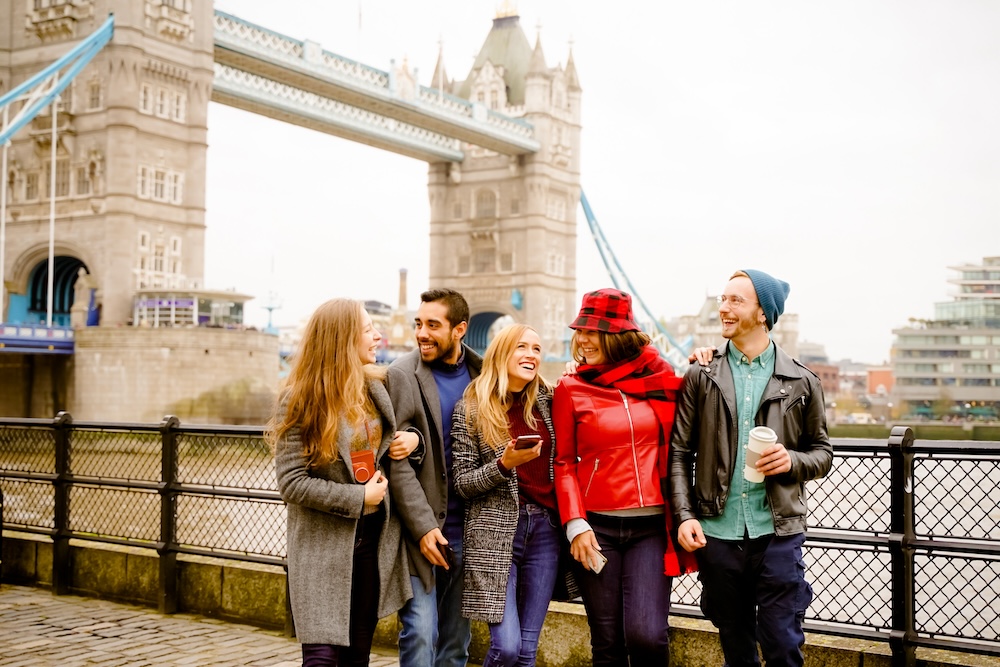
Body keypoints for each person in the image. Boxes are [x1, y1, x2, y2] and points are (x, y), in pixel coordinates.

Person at [668, 269, 834, 667]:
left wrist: (791, 461)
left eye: (735, 301)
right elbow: (679, 453)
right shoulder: (700, 374)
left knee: (782, 643)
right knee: (736, 647)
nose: (723, 308)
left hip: (777, 533)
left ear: (763, 313)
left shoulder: (803, 381)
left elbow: (823, 453)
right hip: (717, 533)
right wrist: (684, 515)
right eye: (723, 299)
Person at [553, 288, 694, 666]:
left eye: (593, 331)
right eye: (580, 330)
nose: (582, 339)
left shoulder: (661, 379)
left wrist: (707, 359)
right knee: (607, 643)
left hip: (651, 527)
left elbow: (697, 416)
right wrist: (575, 524)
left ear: (618, 335)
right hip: (595, 530)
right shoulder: (571, 387)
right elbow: (563, 462)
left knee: (647, 635)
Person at [268, 298, 412, 667]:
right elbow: (292, 484)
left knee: (356, 658)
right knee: (321, 659)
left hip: (371, 546)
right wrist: (358, 497)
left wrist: (414, 439)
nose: (377, 335)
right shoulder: (299, 399)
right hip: (323, 548)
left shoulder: (376, 389)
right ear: (342, 338)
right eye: (367, 329)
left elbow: (409, 430)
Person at [451, 324, 568, 667]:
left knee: (528, 652)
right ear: (502, 352)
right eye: (522, 347)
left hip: (546, 532)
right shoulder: (470, 409)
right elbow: (462, 482)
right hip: (495, 536)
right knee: (506, 647)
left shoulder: (548, 400)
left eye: (536, 349)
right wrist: (503, 465)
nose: (531, 355)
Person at [387, 288, 482, 667]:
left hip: (470, 531)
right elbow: (394, 462)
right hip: (420, 534)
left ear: (459, 329)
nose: (422, 333)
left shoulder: (484, 373)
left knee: (456, 644)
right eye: (418, 324)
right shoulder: (401, 376)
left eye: (433, 325)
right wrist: (424, 528)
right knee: (421, 635)